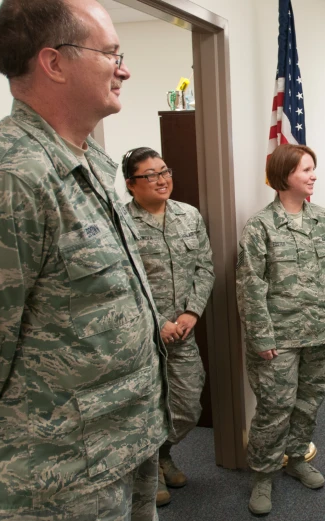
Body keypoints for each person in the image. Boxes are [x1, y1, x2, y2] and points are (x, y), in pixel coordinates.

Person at [0, 0, 170, 519]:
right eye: (111, 53)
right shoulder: (5, 178)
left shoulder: (83, 159)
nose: (124, 68)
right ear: (54, 63)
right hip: (57, 476)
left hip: (123, 443)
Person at [236, 143, 325, 515]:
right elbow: (249, 285)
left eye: (313, 169)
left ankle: (297, 457)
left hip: (320, 331)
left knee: (308, 402)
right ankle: (263, 475)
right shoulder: (260, 226)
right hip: (280, 338)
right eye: (306, 169)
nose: (313, 176)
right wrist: (261, 336)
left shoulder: (323, 219)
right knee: (275, 407)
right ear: (285, 175)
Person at [123, 147, 215, 507]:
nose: (162, 180)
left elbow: (205, 267)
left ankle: (161, 453)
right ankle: (151, 471)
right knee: (145, 407)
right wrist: (157, 322)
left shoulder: (188, 216)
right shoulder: (121, 221)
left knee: (188, 405)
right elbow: (123, 282)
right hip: (141, 335)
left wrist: (191, 313)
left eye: (165, 171)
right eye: (151, 175)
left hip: (182, 332)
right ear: (131, 184)